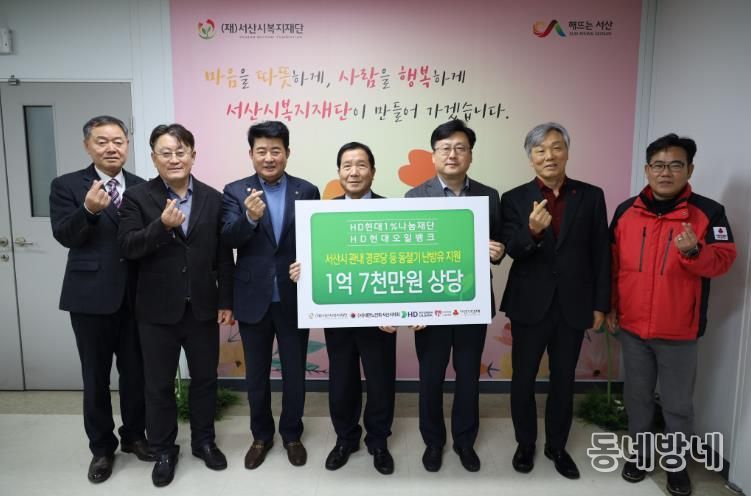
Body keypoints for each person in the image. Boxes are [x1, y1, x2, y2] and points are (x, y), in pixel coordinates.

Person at [607, 133, 736, 496]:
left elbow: (723, 261)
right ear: (647, 170)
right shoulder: (626, 211)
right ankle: (641, 455)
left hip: (679, 330)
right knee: (638, 398)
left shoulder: (708, 212)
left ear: (689, 170)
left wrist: (694, 252)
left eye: (675, 165)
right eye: (659, 165)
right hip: (632, 327)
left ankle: (677, 466)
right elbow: (612, 266)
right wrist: (612, 307)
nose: (666, 172)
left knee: (678, 405)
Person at [118, 124, 234, 487]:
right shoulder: (136, 198)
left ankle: (204, 442)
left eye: (180, 152)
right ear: (154, 158)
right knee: (158, 386)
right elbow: (128, 247)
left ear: (193, 156)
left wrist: (226, 300)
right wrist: (162, 226)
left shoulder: (214, 198)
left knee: (205, 380)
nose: (173, 159)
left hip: (202, 308)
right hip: (156, 311)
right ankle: (164, 450)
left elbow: (223, 256)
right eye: (165, 153)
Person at [500, 122, 610, 479]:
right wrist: (532, 231)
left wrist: (601, 303)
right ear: (531, 158)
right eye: (540, 150)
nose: (549, 155)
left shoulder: (591, 196)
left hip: (574, 304)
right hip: (529, 304)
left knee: (564, 378)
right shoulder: (514, 198)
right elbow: (512, 250)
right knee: (523, 377)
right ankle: (525, 443)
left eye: (556, 147)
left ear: (567, 152)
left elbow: (601, 252)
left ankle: (557, 446)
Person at [49, 115, 152, 483]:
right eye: (102, 141)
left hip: (136, 298)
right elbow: (64, 235)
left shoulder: (141, 187)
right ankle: (102, 449)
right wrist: (89, 210)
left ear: (127, 145)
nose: (111, 148)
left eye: (118, 141)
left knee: (136, 374)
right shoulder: (67, 186)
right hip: (90, 299)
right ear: (87, 146)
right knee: (95, 377)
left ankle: (135, 436)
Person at [290, 142, 396, 475]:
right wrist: (302, 271)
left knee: (380, 381)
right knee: (341, 382)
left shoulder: (392, 210)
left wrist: (397, 311)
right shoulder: (321, 213)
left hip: (380, 318)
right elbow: (314, 260)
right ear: (338, 172)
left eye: (361, 165)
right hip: (338, 315)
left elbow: (403, 265)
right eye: (347, 165)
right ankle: (345, 439)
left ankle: (378, 441)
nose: (354, 172)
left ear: (373, 172)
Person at [405, 119, 504, 473]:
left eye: (460, 148)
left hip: (471, 301)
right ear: (433, 155)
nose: (452, 154)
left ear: (470, 156)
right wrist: (413, 309)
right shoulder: (415, 197)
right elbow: (408, 256)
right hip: (430, 305)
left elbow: (497, 245)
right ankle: (433, 441)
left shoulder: (489, 195)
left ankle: (465, 441)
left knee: (467, 376)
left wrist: (498, 251)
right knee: (430, 376)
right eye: (445, 148)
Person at [221, 120, 320, 469]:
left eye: (275, 150)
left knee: (294, 373)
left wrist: (308, 266)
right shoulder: (235, 191)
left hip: (294, 297)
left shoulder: (307, 190)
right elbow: (228, 238)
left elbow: (316, 239)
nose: (268, 157)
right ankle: (261, 436)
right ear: (251, 154)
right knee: (257, 376)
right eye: (261, 151)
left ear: (287, 153)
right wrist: (249, 218)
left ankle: (292, 434)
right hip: (253, 298)